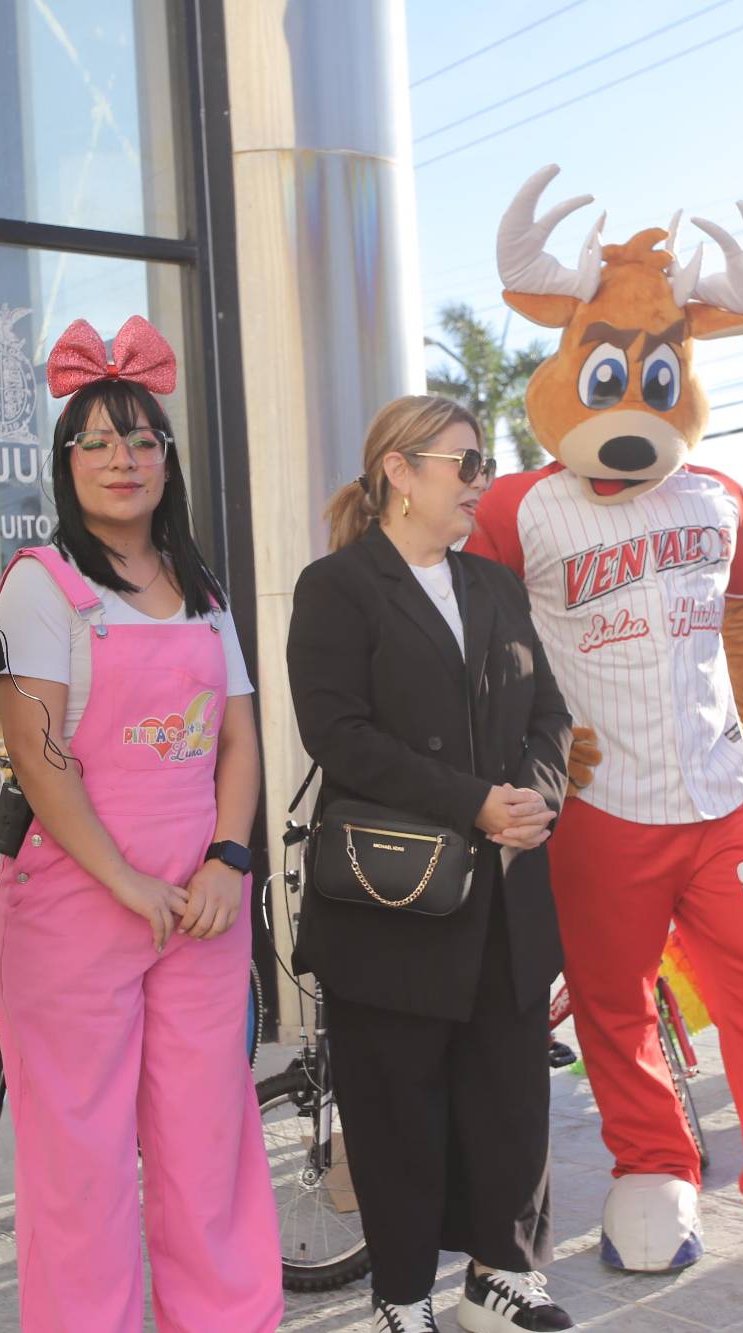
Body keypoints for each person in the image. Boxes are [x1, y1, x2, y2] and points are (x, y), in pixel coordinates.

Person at [468, 165, 743, 1277]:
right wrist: (520, 754)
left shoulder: (719, 496)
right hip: (598, 801)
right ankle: (650, 1163)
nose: (631, 400)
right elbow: (472, 645)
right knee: (614, 1003)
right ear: (571, 361)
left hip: (722, 799)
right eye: (611, 368)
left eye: (653, 369)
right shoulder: (514, 506)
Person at [0, 315, 281, 1332]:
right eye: (98, 441)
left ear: (166, 459)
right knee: (82, 1163)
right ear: (66, 463)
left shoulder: (201, 589)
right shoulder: (43, 586)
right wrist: (127, 884)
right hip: (79, 909)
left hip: (200, 910)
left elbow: (238, 741)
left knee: (210, 1141)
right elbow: (38, 754)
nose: (123, 458)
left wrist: (225, 860)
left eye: (142, 439)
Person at [287, 397, 576, 1333]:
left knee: (509, 1095)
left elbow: (548, 717)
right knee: (396, 1104)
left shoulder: (494, 587)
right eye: (465, 461)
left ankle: (501, 1274)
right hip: (394, 896)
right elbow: (338, 734)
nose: (480, 480)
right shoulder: (337, 586)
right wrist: (472, 803)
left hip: (505, 892)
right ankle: (401, 1298)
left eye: (484, 461)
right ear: (400, 473)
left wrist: (537, 798)